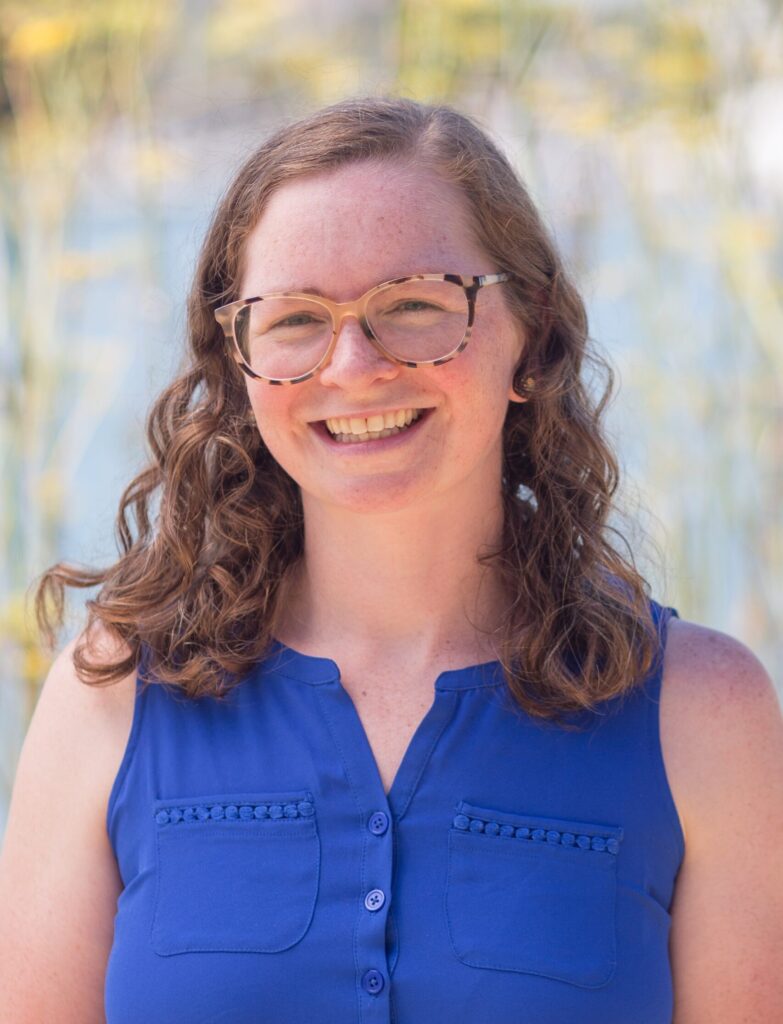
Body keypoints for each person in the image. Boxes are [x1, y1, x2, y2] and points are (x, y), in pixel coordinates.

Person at [1, 96, 781, 1024]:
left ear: (531, 333)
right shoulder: (112, 694)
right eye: (294, 318)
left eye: (412, 304)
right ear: (237, 361)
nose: (352, 365)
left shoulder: (704, 713)